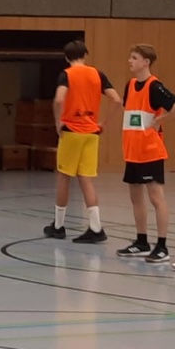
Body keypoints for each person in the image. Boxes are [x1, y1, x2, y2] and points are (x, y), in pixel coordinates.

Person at [44, 40, 122, 243]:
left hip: (72, 131)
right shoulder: (97, 74)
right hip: (91, 132)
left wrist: (58, 122)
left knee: (63, 177)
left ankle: (58, 226)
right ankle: (96, 227)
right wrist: (104, 123)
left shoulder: (67, 75)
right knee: (86, 179)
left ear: (66, 57)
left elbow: (59, 99)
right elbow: (116, 100)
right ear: (85, 55)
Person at [118, 44, 175, 263]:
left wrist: (161, 119)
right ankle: (141, 242)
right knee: (135, 197)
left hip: (150, 152)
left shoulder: (154, 86)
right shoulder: (130, 85)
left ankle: (162, 246)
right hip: (132, 152)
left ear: (146, 62)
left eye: (134, 57)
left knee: (156, 198)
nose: (130, 61)